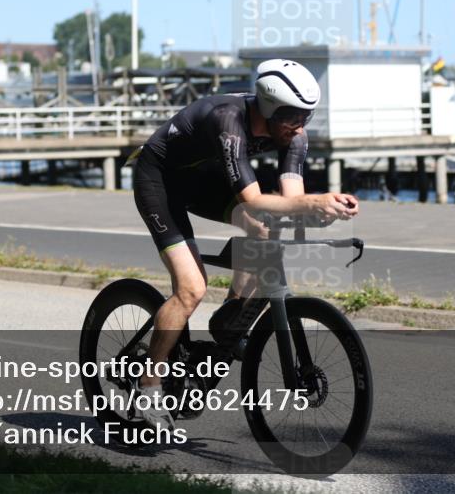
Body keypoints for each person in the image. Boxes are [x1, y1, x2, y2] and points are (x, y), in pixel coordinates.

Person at [129, 59, 359, 427]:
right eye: (290, 116)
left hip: (204, 181)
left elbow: (291, 198)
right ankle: (149, 384)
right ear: (268, 107)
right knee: (191, 289)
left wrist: (320, 210)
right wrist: (312, 202)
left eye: (307, 116)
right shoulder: (228, 120)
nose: (298, 125)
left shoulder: (294, 135)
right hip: (158, 182)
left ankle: (231, 316)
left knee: (266, 231)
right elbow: (252, 200)